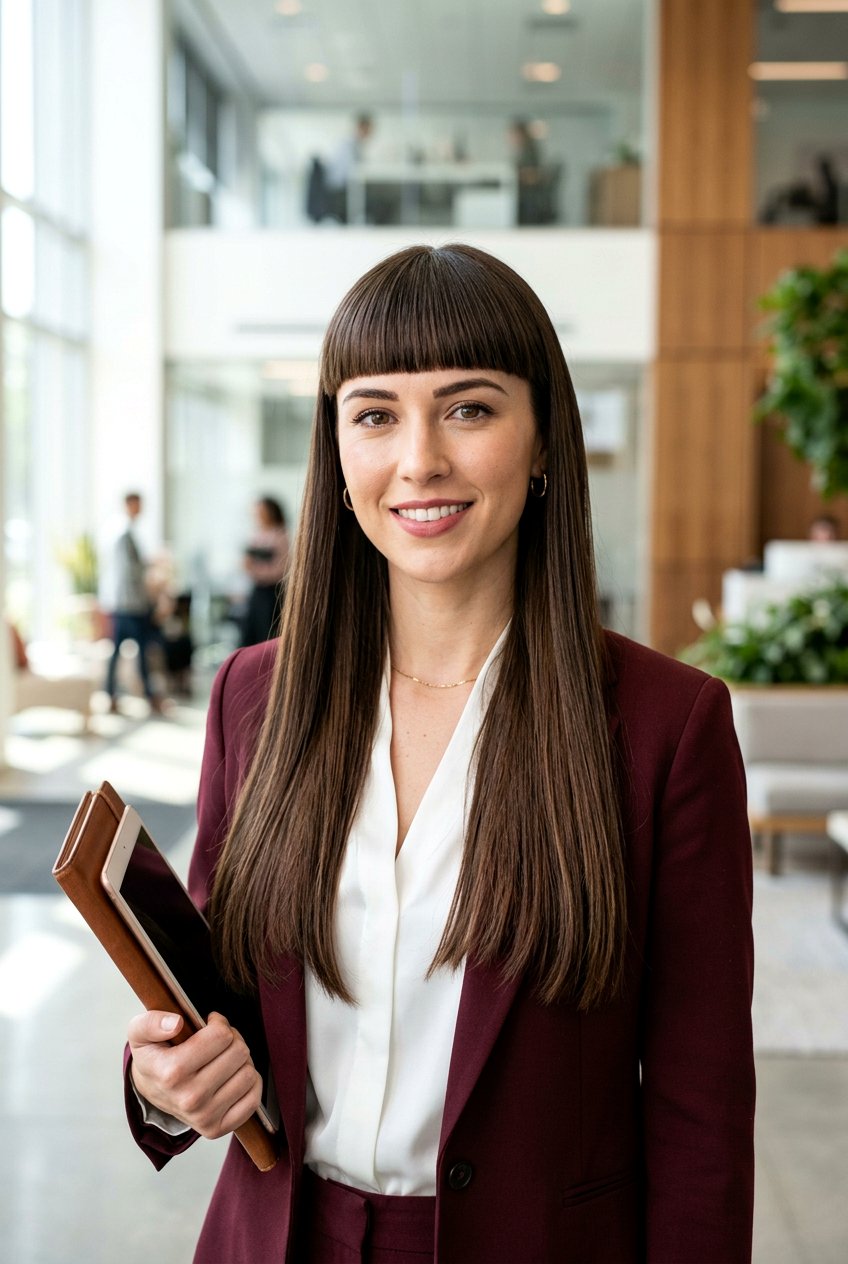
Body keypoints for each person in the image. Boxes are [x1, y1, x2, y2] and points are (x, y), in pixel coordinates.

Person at [124, 244, 755, 1262]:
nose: (418, 460)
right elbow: (216, 997)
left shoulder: (664, 725)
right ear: (336, 451)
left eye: (467, 408)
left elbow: (701, 1108)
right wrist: (168, 1081)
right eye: (375, 415)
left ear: (542, 439)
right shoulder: (254, 695)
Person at [102, 492, 164, 714]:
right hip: (130, 604)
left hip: (126, 603)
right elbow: (131, 572)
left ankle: (114, 695)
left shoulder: (125, 532)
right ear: (128, 504)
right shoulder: (124, 534)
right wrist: (149, 567)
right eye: (137, 504)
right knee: (139, 651)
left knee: (124, 651)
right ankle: (142, 695)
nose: (140, 509)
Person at [239, 495, 290, 647]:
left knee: (267, 632)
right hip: (257, 590)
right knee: (250, 631)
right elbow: (246, 564)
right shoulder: (256, 536)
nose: (258, 515)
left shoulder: (281, 536)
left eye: (262, 511)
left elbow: (282, 568)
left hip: (273, 592)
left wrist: (256, 571)